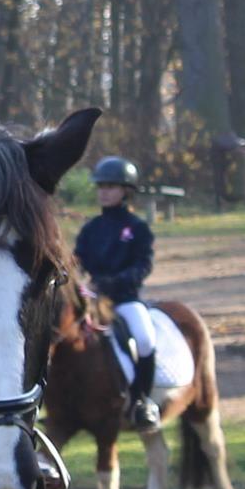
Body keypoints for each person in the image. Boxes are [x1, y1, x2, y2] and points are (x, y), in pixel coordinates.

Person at [74, 155, 161, 431]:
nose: (104, 192)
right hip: (93, 300)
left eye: (111, 186)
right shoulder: (91, 229)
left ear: (126, 190)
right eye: (101, 186)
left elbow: (143, 266)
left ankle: (142, 401)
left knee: (145, 341)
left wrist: (110, 283)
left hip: (125, 300)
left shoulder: (138, 228)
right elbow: (79, 261)